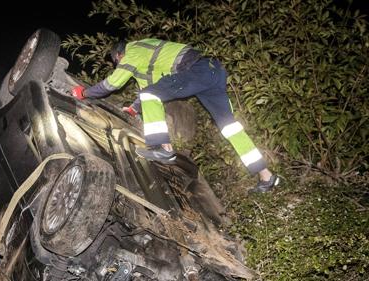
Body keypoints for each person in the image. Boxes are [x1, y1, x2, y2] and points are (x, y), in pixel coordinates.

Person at [72, 39, 280, 193]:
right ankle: (266, 175)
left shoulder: (133, 50)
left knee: (150, 95)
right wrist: (134, 108)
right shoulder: (148, 58)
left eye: (118, 62)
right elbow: (151, 90)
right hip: (213, 71)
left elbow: (113, 84)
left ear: (120, 55)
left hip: (195, 68)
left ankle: (163, 148)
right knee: (230, 128)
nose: (119, 65)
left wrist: (85, 93)